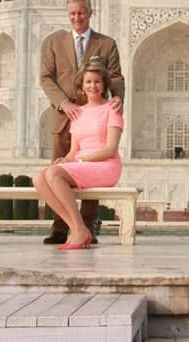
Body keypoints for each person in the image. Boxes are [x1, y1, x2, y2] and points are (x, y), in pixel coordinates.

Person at [39, 0, 124, 244]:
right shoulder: (55, 42)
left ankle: (87, 225)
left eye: (82, 13)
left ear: (90, 13)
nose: (77, 17)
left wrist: (117, 98)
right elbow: (46, 77)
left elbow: (116, 77)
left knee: (89, 171)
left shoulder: (105, 44)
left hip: (95, 116)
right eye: (73, 13)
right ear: (69, 14)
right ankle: (61, 226)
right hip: (64, 117)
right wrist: (64, 103)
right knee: (57, 170)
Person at [34, 61, 124, 250]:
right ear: (82, 86)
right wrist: (66, 160)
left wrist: (81, 160)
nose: (93, 86)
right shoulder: (78, 113)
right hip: (83, 164)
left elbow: (110, 149)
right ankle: (78, 227)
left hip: (105, 165)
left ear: (104, 85)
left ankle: (79, 230)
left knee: (53, 174)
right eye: (88, 82)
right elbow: (74, 150)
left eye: (97, 82)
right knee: (39, 178)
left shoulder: (112, 110)